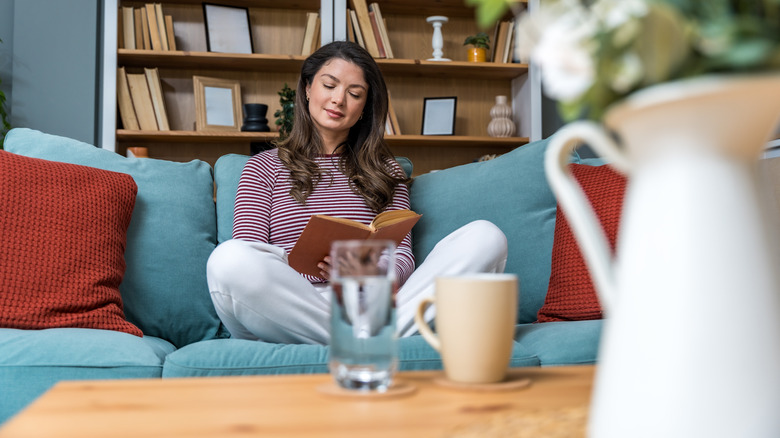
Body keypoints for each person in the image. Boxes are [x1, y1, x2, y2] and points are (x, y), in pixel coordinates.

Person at [207, 41, 508, 345]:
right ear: (308, 88)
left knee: (485, 236)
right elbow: (251, 253)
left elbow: (402, 258)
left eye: (354, 94)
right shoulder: (263, 167)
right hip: (292, 307)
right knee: (229, 259)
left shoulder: (386, 170)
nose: (339, 100)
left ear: (365, 107)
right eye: (329, 85)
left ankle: (357, 337)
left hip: (370, 303)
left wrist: (359, 269)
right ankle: (371, 339)